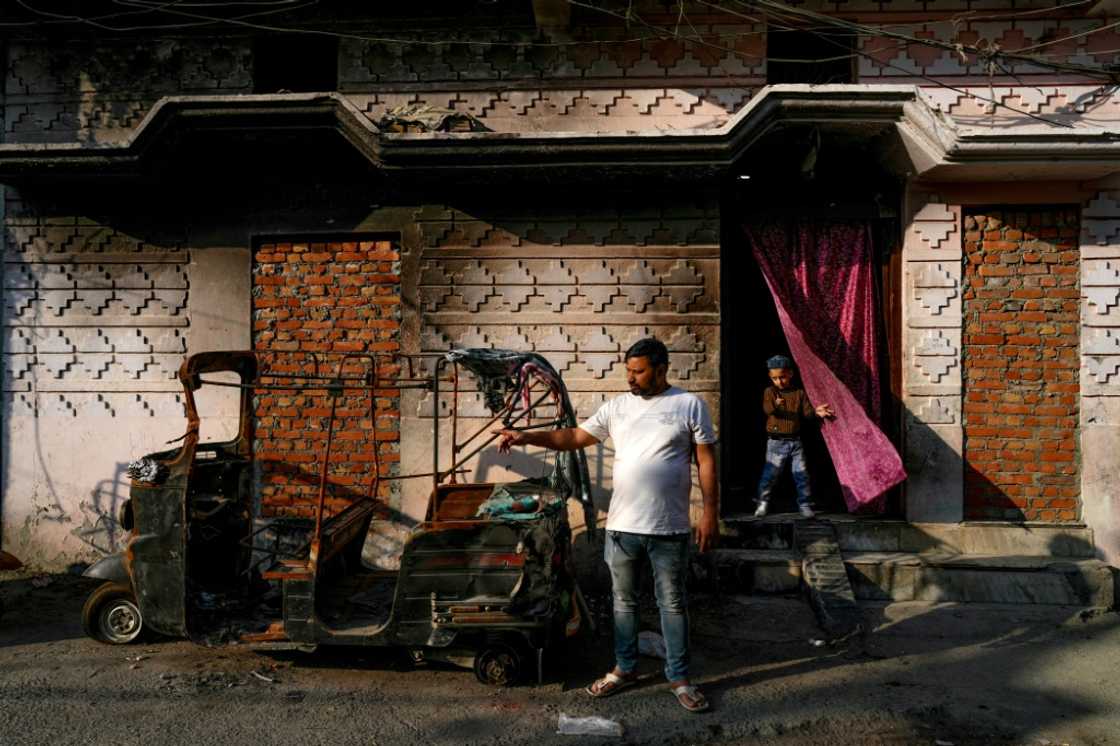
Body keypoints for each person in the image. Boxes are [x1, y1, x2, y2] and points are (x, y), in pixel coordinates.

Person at [496, 337, 719, 713]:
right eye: (628, 371)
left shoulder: (689, 405)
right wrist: (527, 435)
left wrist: (710, 512)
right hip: (622, 528)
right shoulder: (617, 407)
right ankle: (625, 668)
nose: (630, 378)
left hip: (670, 529)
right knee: (623, 604)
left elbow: (706, 462)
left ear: (661, 369)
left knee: (673, 603)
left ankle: (679, 676)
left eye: (639, 371)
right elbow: (574, 437)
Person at [753, 354, 834, 519]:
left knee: (801, 474)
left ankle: (805, 504)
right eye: (775, 378)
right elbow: (768, 410)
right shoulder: (770, 392)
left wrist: (818, 412)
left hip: (795, 441)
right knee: (771, 474)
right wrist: (776, 405)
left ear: (790, 374)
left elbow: (807, 414)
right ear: (770, 377)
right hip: (776, 442)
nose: (779, 382)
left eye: (782, 377)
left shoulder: (798, 393)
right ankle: (762, 501)